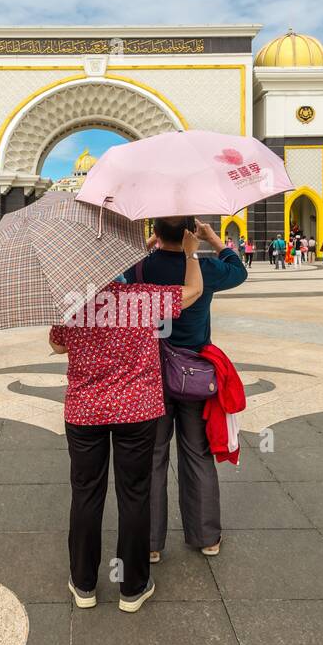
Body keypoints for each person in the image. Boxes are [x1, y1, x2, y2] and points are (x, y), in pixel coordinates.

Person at [51, 229, 204, 613]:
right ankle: (132, 588)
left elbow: (56, 344)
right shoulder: (142, 298)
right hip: (136, 411)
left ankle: (84, 584)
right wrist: (192, 254)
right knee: (135, 494)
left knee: (86, 494)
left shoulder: (73, 302)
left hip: (85, 412)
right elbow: (192, 293)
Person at [124, 218, 247, 564]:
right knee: (197, 454)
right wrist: (213, 239)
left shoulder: (142, 268)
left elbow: (118, 272)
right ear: (191, 233)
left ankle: (150, 543)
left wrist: (149, 244)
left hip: (152, 375)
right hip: (194, 376)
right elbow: (238, 271)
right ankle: (206, 536)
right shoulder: (204, 267)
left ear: (157, 232)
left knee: (153, 457)